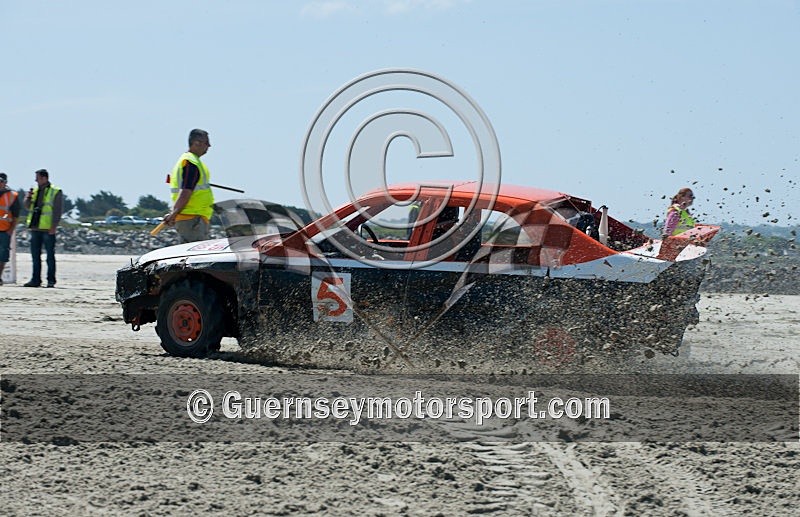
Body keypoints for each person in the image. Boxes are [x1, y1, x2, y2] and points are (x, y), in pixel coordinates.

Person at [164, 129, 215, 243]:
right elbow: (186, 191)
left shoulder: (192, 161)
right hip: (192, 219)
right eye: (207, 143)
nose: (209, 146)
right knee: (193, 257)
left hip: (194, 218)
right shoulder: (191, 162)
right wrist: (173, 213)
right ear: (196, 143)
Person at [23, 169, 63, 287]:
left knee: (50, 256)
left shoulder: (55, 191)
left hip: (47, 228)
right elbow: (27, 207)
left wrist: (54, 226)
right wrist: (28, 198)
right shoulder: (34, 191)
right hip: (35, 228)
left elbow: (57, 211)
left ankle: (51, 280)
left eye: (38, 178)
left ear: (44, 178)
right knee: (35, 256)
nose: (36, 180)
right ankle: (35, 279)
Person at [0, 172, 21, 285]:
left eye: (2, 181)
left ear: (5, 183)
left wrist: (10, 230)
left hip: (4, 230)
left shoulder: (12, 196)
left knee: (3, 255)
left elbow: (16, 215)